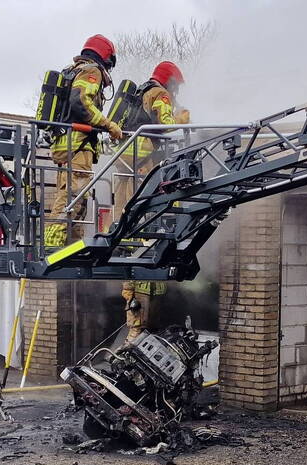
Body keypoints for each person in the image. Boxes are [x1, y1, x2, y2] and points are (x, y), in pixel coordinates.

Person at [117, 61, 189, 342]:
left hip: (127, 159)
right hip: (142, 158)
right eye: (176, 87)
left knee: (127, 214)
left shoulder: (141, 93)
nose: (175, 92)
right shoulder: (160, 94)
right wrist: (183, 119)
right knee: (140, 215)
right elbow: (167, 125)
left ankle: (134, 333)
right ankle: (134, 334)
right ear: (169, 81)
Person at [45, 34, 124, 257]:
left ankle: (72, 247)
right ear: (106, 58)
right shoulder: (92, 71)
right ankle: (53, 245)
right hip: (78, 145)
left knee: (74, 196)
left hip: (65, 144)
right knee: (74, 196)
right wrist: (108, 125)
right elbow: (80, 101)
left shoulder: (73, 71)